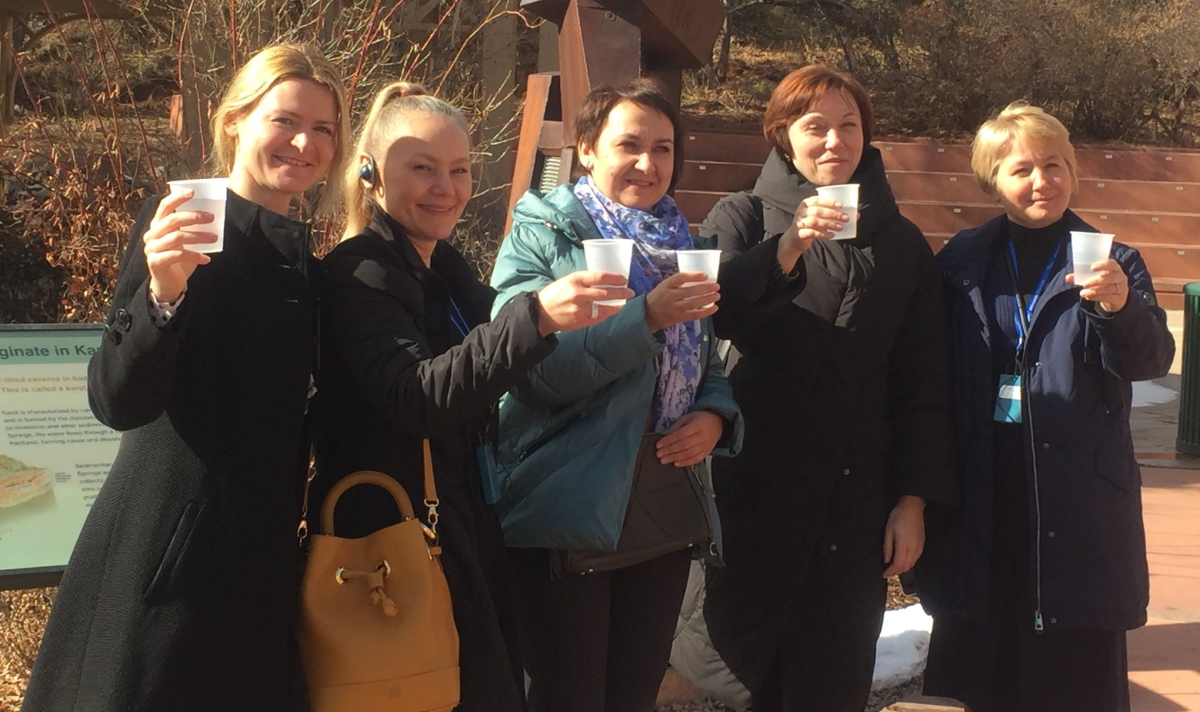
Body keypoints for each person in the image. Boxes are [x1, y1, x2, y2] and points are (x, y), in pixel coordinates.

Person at [23, 44, 350, 711]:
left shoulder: (309, 270)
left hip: (257, 581)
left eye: (323, 128)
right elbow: (114, 396)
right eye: (285, 119)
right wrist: (161, 295)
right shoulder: (173, 224)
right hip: (166, 572)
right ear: (235, 120)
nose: (304, 142)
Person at [310, 82, 630, 712]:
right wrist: (536, 316)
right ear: (372, 174)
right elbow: (419, 397)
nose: (446, 188)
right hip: (394, 541)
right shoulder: (358, 274)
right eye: (422, 168)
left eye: (458, 170)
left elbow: (507, 364)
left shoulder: (446, 273)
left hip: (465, 525)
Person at [672, 64, 957, 712]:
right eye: (815, 126)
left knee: (830, 682)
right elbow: (715, 315)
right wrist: (789, 244)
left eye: (848, 126)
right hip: (750, 496)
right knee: (732, 681)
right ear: (783, 137)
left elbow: (923, 383)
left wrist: (913, 501)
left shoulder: (905, 246)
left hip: (853, 509)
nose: (834, 140)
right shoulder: (741, 216)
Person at [488, 78, 744, 712]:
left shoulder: (685, 242)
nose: (648, 163)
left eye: (663, 148)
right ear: (586, 150)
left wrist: (715, 413)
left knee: (632, 694)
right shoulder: (541, 234)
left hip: (659, 498)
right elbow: (532, 375)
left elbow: (702, 360)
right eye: (629, 144)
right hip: (567, 503)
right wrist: (645, 319)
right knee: (567, 696)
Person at [918, 103, 1176, 712]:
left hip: (1077, 498)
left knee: (1075, 674)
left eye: (1055, 164)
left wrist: (1121, 309)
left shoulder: (1114, 259)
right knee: (984, 671)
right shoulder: (962, 260)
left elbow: (1151, 360)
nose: (1042, 181)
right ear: (993, 180)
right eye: (1023, 168)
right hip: (984, 493)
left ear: (1074, 172)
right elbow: (928, 370)